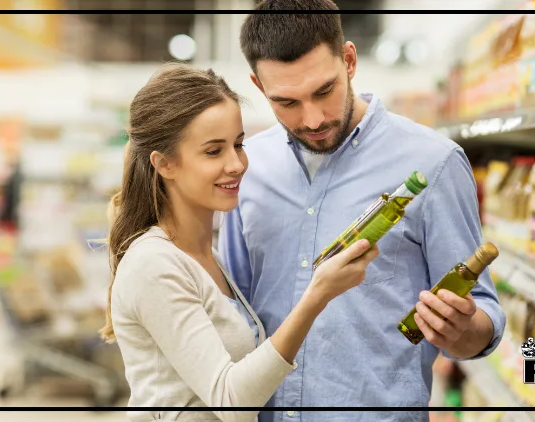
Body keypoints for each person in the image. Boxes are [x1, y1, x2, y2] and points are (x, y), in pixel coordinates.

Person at [217, 1, 506, 421]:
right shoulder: (247, 168)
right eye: (287, 103)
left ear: (349, 60)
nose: (312, 119)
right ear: (258, 87)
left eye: (323, 91)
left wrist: (462, 330)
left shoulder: (433, 163)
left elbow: (480, 320)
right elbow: (234, 310)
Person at [100, 63, 379, 422]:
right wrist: (317, 295)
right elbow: (231, 401)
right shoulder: (154, 264)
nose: (237, 164)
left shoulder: (205, 256)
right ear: (165, 164)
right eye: (214, 151)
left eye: (238, 144)